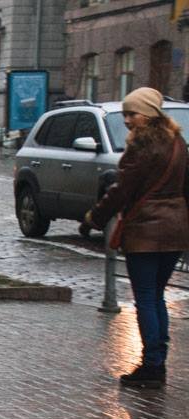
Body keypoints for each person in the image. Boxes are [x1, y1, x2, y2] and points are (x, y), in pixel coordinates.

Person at [85, 87, 188, 389]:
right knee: (156, 296)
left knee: (146, 298)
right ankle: (158, 361)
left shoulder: (141, 147)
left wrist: (95, 218)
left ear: (149, 114)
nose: (127, 120)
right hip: (175, 229)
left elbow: (121, 190)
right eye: (126, 113)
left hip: (144, 230)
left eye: (133, 114)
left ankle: (152, 366)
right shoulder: (178, 143)